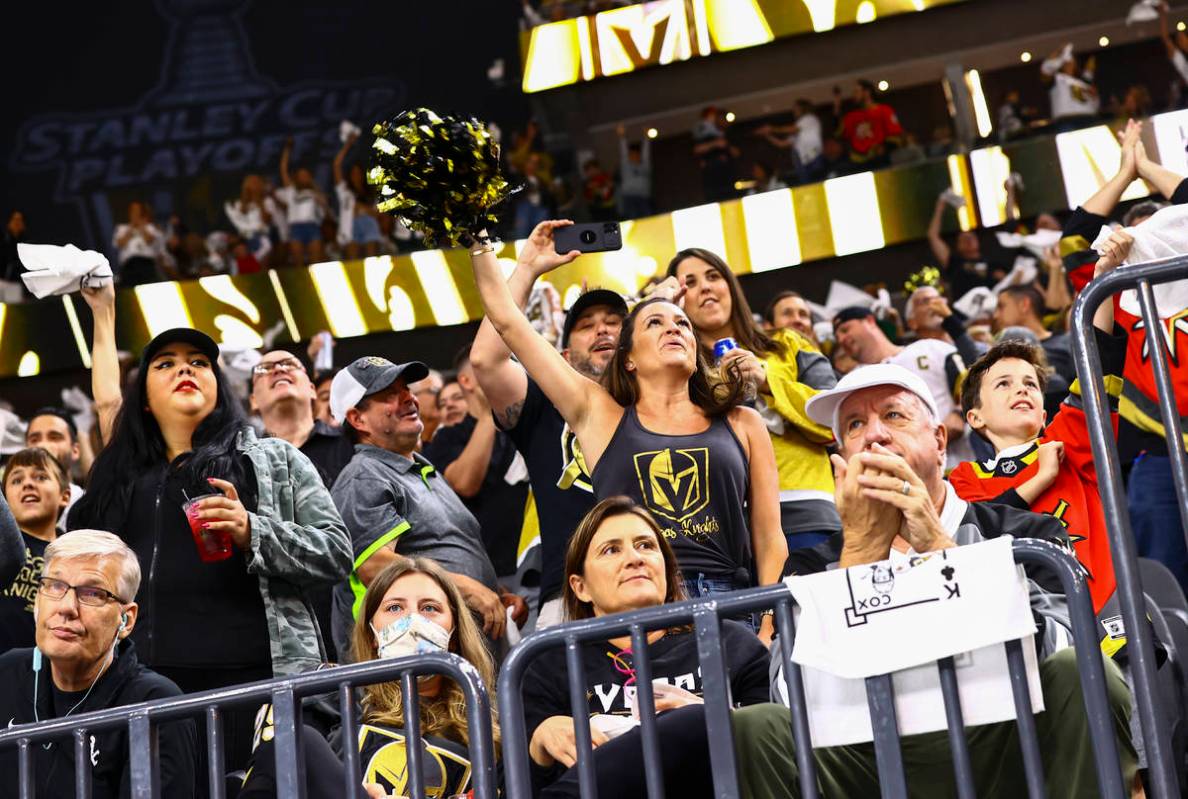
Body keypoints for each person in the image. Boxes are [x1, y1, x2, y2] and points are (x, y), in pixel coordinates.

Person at [730, 363, 1139, 797]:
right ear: (842, 459)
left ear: (940, 441)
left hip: (1005, 743)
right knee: (756, 726)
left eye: (893, 415)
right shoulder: (811, 564)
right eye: (854, 425)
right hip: (867, 761)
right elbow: (789, 699)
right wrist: (861, 557)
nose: (874, 435)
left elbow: (1072, 651)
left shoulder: (1024, 532)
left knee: (1081, 672)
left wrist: (940, 549)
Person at [69, 282, 351, 770]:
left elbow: (335, 552)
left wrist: (253, 531)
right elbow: (106, 405)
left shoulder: (273, 460)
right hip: (142, 692)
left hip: (257, 687)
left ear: (220, 387)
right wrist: (103, 313)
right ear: (144, 400)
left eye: (199, 362)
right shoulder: (121, 480)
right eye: (166, 363)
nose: (185, 368)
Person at [469, 228, 787, 643]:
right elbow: (506, 320)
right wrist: (478, 236)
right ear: (630, 357)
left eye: (683, 325)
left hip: (733, 606)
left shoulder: (743, 422)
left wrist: (766, 620)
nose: (675, 330)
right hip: (639, 606)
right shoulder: (599, 415)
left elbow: (768, 535)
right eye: (655, 322)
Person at [522, 496, 771, 798]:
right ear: (580, 587)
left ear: (666, 569)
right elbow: (509, 786)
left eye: (646, 546)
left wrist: (712, 721)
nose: (635, 558)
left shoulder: (729, 643)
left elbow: (774, 750)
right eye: (611, 550)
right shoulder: (547, 666)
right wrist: (540, 743)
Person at [471, 220, 626, 629]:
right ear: (561, 349)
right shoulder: (541, 406)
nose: (603, 329)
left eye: (614, 321)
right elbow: (487, 360)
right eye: (586, 325)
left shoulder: (657, 402)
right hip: (568, 598)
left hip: (655, 584)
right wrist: (526, 269)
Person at [239, 557, 497, 799]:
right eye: (394, 608)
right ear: (373, 634)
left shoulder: (483, 725)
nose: (413, 621)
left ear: (454, 633)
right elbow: (275, 762)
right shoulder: (333, 688)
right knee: (298, 741)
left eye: (430, 608)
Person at [327, 356, 505, 660]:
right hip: (407, 665)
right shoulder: (364, 474)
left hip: (454, 654)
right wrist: (468, 589)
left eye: (405, 389)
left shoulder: (423, 470)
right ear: (358, 419)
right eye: (389, 395)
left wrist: (494, 594)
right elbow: (374, 566)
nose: (408, 398)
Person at [0, 530, 197, 798]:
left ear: (126, 619)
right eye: (55, 585)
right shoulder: (7, 673)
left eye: (92, 593)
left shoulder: (156, 703)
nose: (67, 607)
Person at [667, 248, 839, 552]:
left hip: (807, 509)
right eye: (689, 283)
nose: (705, 287)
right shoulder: (678, 372)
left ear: (731, 286)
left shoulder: (787, 343)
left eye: (713, 276)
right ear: (678, 300)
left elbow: (835, 420)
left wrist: (767, 382)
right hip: (724, 526)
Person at [425, 346, 530, 585]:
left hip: (537, 563)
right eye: (493, 365)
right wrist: (486, 416)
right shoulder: (447, 438)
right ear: (467, 380)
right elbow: (464, 484)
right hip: (487, 575)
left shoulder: (523, 424)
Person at [832, 306, 974, 468]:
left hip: (964, 464)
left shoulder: (929, 349)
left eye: (845, 330)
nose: (842, 339)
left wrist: (958, 413)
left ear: (870, 321)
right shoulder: (852, 383)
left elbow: (973, 384)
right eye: (837, 337)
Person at [250, 349, 354, 487]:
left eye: (290, 364)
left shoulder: (352, 443)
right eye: (265, 368)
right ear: (254, 400)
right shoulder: (244, 462)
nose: (279, 369)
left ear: (312, 389)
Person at [0, 449, 69, 653]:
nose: (28, 484)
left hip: (48, 671)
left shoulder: (75, 556)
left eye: (41, 477)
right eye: (16, 480)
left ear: (65, 496)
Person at [992, 284, 1075, 385]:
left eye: (1001, 306)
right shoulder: (998, 351)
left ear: (1024, 305)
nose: (995, 315)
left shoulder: (1069, 342)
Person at [928, 194, 1008, 298]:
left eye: (971, 237)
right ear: (958, 246)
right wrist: (940, 206)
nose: (968, 241)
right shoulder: (954, 263)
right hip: (964, 310)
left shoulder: (992, 263)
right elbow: (933, 236)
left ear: (978, 242)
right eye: (964, 239)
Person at [24, 407, 85, 525]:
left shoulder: (92, 507)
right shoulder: (9, 506)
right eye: (34, 439)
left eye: (54, 437)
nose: (42, 445)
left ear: (75, 450)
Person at [333, 131, 386, 260]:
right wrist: (347, 145)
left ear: (362, 174)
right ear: (349, 175)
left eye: (358, 172)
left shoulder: (371, 191)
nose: (356, 175)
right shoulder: (344, 191)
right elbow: (336, 165)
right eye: (353, 173)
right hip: (350, 227)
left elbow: (378, 213)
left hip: (370, 225)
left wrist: (361, 208)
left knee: (372, 260)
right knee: (353, 262)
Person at [278, 138, 330, 268]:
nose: (304, 177)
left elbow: (325, 205)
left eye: (306, 175)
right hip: (296, 228)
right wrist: (287, 150)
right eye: (301, 175)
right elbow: (283, 170)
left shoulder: (314, 193)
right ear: (296, 178)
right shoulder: (291, 191)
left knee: (316, 264)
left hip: (312, 227)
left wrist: (313, 185)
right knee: (298, 265)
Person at [834, 80, 903, 170]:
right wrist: (836, 111)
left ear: (867, 92)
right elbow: (839, 134)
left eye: (857, 92)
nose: (854, 95)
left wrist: (883, 149)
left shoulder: (883, 110)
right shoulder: (851, 116)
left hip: (881, 162)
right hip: (857, 164)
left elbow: (896, 136)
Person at [756, 99, 824, 185]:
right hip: (804, 162)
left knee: (817, 183)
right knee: (808, 185)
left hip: (813, 158)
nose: (794, 110)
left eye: (796, 108)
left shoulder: (809, 119)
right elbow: (782, 144)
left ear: (803, 108)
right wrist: (767, 135)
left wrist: (771, 128)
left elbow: (790, 129)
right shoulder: (800, 132)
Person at [1040, 45, 1100, 130]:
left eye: (1071, 62)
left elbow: (1094, 101)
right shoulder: (1057, 79)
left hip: (1089, 119)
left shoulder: (1083, 82)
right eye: (1066, 63)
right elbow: (1046, 70)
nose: (1069, 65)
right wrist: (1058, 52)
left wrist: (1093, 95)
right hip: (1068, 121)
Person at [224, 174, 274, 271]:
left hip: (261, 236)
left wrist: (260, 202)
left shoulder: (268, 201)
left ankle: (262, 275)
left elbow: (267, 220)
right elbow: (240, 218)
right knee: (239, 253)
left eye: (256, 183)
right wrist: (245, 198)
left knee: (266, 246)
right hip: (244, 238)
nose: (253, 186)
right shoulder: (238, 204)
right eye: (250, 183)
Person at [112, 200, 164, 287]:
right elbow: (119, 244)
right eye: (133, 210)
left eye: (137, 210)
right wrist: (131, 228)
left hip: (146, 265)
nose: (135, 213)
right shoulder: (122, 228)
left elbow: (149, 240)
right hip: (129, 266)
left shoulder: (149, 227)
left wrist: (141, 226)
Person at [692, 106, 739, 202]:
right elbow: (697, 149)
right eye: (711, 117)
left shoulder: (726, 134)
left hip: (728, 178)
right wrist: (714, 144)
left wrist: (727, 146)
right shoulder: (703, 135)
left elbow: (737, 153)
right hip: (712, 180)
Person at [616, 126, 653, 219]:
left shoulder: (644, 165)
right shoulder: (626, 166)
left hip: (643, 196)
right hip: (629, 197)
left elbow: (646, 154)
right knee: (632, 217)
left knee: (647, 217)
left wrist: (646, 137)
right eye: (631, 155)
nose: (634, 156)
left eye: (636, 154)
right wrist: (622, 136)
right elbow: (624, 152)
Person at [409, 369, 445, 446]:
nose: (442, 397)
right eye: (435, 391)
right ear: (413, 396)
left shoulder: (455, 433)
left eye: (443, 391)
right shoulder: (400, 439)